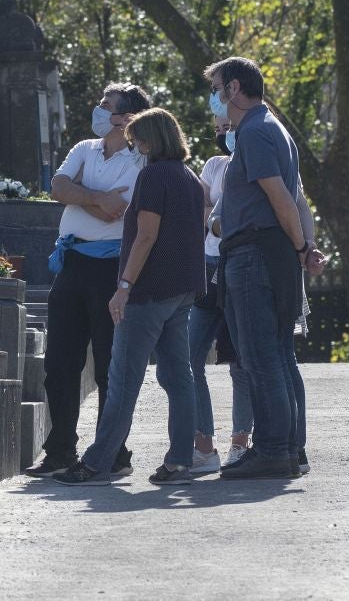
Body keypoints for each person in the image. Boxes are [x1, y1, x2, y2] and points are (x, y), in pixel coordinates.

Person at [53, 108, 207, 486]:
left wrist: (123, 287)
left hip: (149, 291)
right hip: (183, 288)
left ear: (152, 140)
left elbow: (146, 236)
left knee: (123, 379)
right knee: (178, 375)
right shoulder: (189, 177)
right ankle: (181, 461)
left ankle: (96, 462)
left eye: (138, 140)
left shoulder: (153, 176)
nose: (134, 147)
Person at [204, 57, 326, 480]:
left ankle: (274, 449)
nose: (214, 98)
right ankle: (289, 448)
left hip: (255, 254)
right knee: (277, 355)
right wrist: (300, 247)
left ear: (234, 89)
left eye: (217, 88)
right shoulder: (271, 128)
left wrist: (298, 247)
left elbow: (280, 197)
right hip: (265, 251)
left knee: (260, 356)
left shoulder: (254, 132)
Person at [23, 83, 152, 477]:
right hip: (71, 263)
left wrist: (82, 197)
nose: (98, 110)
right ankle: (60, 450)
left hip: (113, 268)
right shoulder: (84, 149)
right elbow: (58, 188)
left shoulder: (141, 160)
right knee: (60, 362)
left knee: (109, 366)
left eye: (106, 105)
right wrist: (95, 198)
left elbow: (121, 210)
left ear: (125, 117)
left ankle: (111, 452)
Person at [188, 115, 253, 473]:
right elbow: (202, 209)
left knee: (239, 362)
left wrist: (214, 218)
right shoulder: (214, 164)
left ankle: (240, 442)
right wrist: (214, 220)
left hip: (241, 264)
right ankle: (203, 446)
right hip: (209, 265)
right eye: (216, 129)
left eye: (227, 127)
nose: (222, 134)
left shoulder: (258, 162)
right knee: (189, 357)